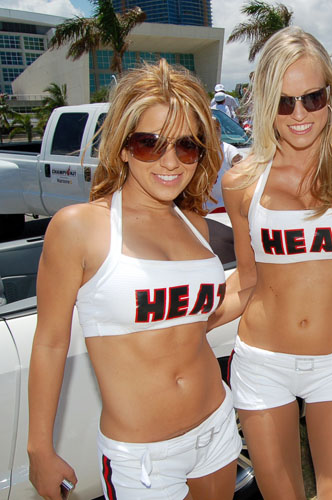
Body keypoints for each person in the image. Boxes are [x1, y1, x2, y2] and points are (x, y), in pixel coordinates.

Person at [27, 60, 242, 500]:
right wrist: (39, 448)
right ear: (123, 147)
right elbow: (50, 341)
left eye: (186, 146)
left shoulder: (198, 228)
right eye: (150, 144)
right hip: (142, 457)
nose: (169, 161)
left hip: (217, 424)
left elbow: (193, 317)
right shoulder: (80, 228)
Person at [220, 26, 332, 500]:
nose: (298, 115)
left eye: (311, 98)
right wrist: (186, 325)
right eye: (284, 101)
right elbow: (248, 280)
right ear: (265, 103)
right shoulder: (241, 182)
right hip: (261, 362)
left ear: (331, 98)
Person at [207, 117, 244, 213]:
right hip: (204, 207)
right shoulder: (200, 150)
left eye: (216, 128)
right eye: (210, 129)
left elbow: (239, 167)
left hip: (224, 206)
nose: (214, 132)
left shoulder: (228, 149)